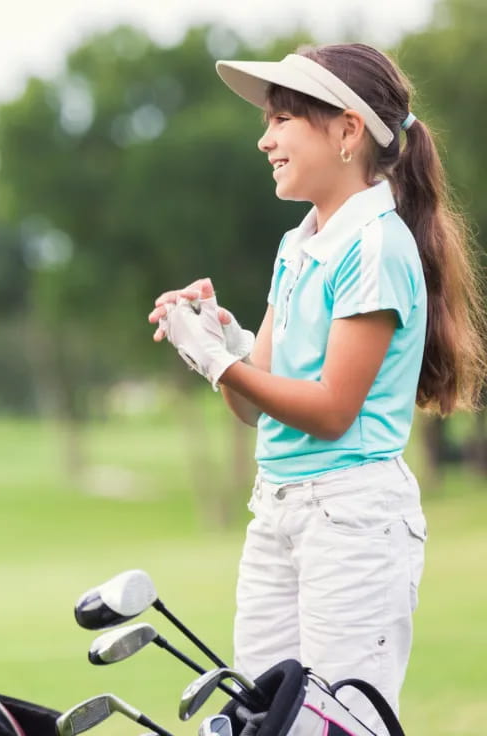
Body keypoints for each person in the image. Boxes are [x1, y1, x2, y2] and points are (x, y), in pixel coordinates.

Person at [147, 43, 485, 730]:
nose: (265, 139)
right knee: (263, 720)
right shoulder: (298, 245)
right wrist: (220, 341)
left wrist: (217, 363)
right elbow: (252, 405)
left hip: (352, 518)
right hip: (277, 508)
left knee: (341, 723)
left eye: (283, 120)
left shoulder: (375, 245)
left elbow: (332, 411)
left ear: (347, 131)